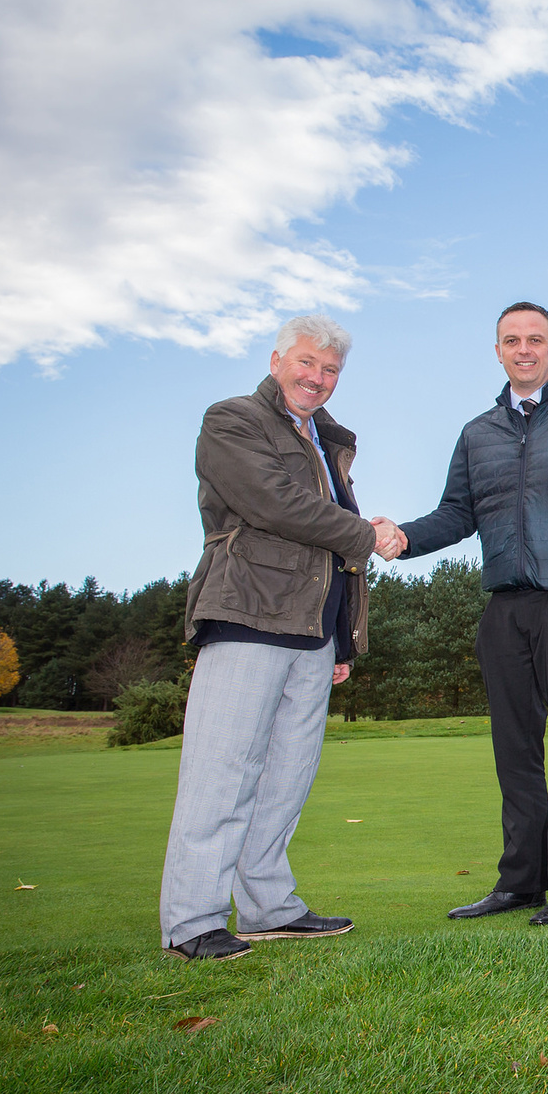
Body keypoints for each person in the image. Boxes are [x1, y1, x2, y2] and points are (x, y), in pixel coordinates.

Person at [382, 301, 548, 925]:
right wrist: (403, 537)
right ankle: (521, 880)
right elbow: (456, 513)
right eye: (510, 340)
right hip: (505, 608)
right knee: (513, 750)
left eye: (535, 339)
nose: (523, 349)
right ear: (497, 351)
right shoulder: (478, 433)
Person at [160, 314, 405, 962]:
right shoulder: (232, 420)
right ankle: (192, 921)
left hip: (313, 633)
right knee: (223, 771)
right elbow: (274, 503)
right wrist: (367, 535)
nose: (317, 378)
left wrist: (342, 641)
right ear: (276, 361)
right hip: (249, 613)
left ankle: (269, 907)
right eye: (306, 363)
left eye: (330, 370)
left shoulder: (329, 441)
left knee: (286, 778)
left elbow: (333, 541)